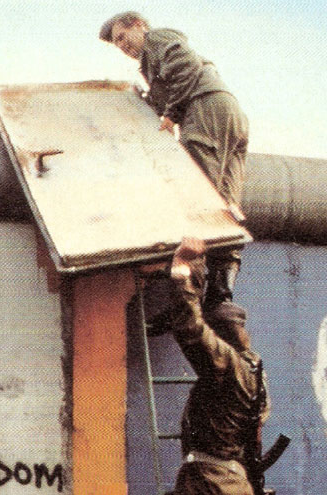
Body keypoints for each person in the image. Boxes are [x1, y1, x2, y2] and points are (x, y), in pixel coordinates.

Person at [160, 236, 269, 495]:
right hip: (237, 492)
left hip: (209, 486)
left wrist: (183, 275)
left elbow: (190, 330)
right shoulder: (256, 373)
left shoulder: (226, 367)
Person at [100, 11, 249, 311]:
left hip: (204, 109)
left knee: (194, 197)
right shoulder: (151, 64)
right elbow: (166, 91)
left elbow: (185, 67)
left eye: (122, 37)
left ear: (139, 26)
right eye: (117, 44)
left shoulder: (158, 39)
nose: (122, 46)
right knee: (224, 206)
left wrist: (171, 114)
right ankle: (221, 295)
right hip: (226, 112)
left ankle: (185, 297)